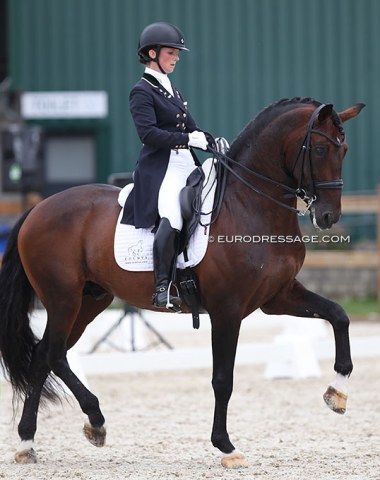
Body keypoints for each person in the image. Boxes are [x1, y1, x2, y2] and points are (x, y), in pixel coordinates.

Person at [122, 22, 210, 311]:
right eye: (171, 52)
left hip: (185, 161)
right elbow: (148, 135)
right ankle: (162, 287)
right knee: (172, 213)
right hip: (162, 168)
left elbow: (191, 128)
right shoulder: (142, 91)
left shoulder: (172, 89)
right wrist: (188, 138)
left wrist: (211, 141)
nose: (177, 57)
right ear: (152, 53)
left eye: (176, 53)